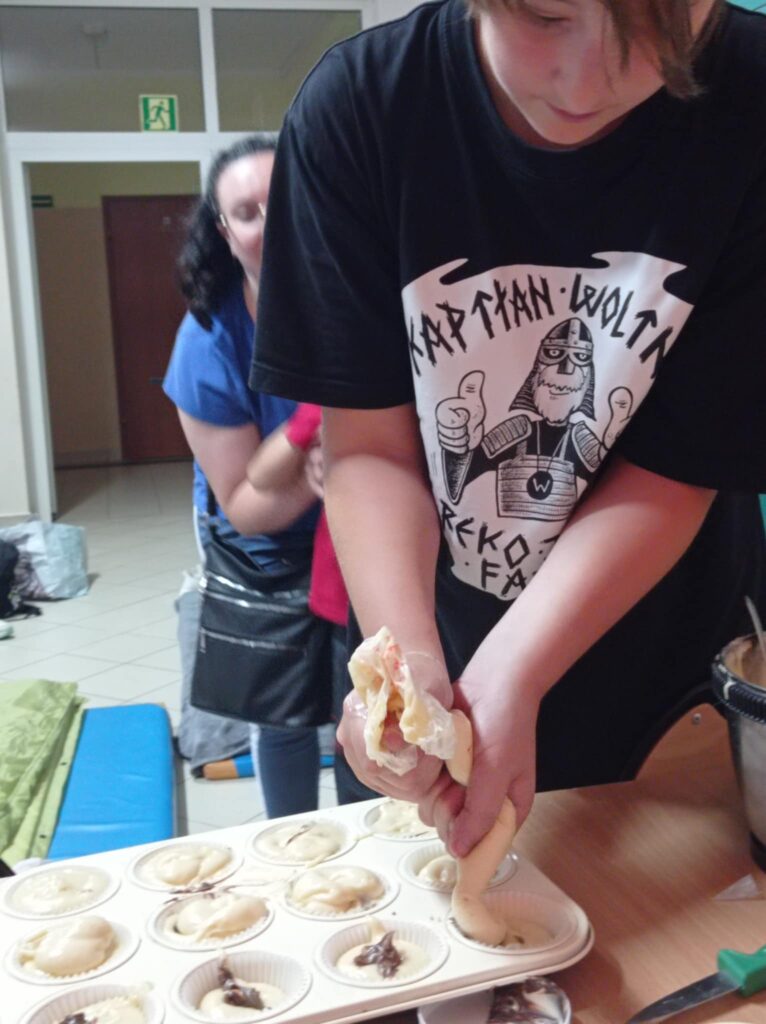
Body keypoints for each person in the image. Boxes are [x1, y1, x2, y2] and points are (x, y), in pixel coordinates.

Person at [251, 0, 766, 856]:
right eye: (546, 17)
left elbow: (681, 463)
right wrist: (408, 671)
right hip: (435, 622)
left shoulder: (750, 102)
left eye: (660, 27)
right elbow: (370, 451)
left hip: (673, 688)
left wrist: (515, 668)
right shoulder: (364, 107)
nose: (586, 82)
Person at [163, 134, 330, 818]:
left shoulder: (360, 299)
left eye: (284, 200)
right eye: (247, 211)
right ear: (225, 232)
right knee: (283, 710)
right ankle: (293, 844)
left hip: (354, 518)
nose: (272, 221)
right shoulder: (207, 342)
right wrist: (320, 468)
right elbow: (244, 505)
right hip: (258, 532)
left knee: (368, 696)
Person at [244, 403, 354, 799]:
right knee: (353, 738)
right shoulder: (325, 401)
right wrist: (310, 443)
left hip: (428, 589)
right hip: (346, 598)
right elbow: (259, 475)